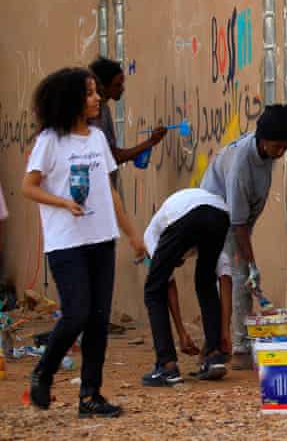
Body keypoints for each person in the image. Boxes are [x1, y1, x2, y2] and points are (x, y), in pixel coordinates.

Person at [22, 67, 147, 417]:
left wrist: (133, 234)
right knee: (76, 313)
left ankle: (90, 395)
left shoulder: (95, 138)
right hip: (66, 243)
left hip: (101, 239)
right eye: (90, 93)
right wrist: (62, 202)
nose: (97, 99)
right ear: (73, 99)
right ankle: (43, 372)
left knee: (97, 320)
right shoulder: (50, 141)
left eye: (96, 92)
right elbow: (28, 186)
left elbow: (110, 192)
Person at [200, 104, 287, 370]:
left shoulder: (266, 156)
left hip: (238, 220)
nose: (280, 153)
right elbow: (238, 222)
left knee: (238, 276)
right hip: (216, 215)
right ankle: (239, 347)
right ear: (262, 140)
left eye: (284, 147)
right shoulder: (242, 163)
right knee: (240, 275)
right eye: (277, 147)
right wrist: (252, 264)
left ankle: (224, 342)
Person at [140, 188, 231, 386]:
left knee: (153, 291)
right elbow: (224, 276)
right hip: (221, 214)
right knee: (205, 282)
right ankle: (214, 356)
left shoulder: (151, 236)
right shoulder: (197, 232)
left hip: (187, 215)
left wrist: (181, 334)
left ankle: (167, 366)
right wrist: (224, 331)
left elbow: (166, 285)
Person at [89, 57, 167, 188]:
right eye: (117, 85)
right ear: (102, 86)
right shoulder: (97, 114)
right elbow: (113, 157)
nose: (122, 89)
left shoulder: (104, 109)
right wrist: (150, 142)